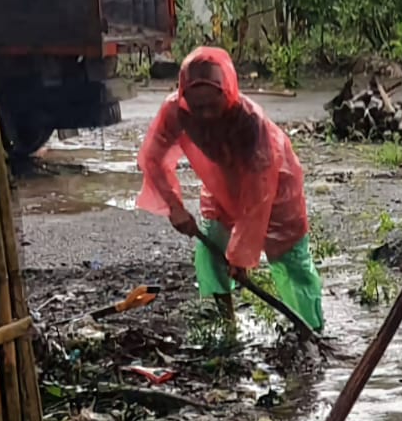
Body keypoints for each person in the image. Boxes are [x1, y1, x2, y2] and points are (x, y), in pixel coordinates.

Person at [136, 46, 323, 331]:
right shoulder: (176, 112)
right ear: (185, 98)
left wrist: (242, 255)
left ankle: (309, 328)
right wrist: (174, 207)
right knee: (211, 248)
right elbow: (152, 157)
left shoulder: (250, 123)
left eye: (213, 106)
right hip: (224, 182)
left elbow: (258, 197)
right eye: (198, 108)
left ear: (228, 93)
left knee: (290, 258)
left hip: (276, 185)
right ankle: (228, 322)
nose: (207, 115)